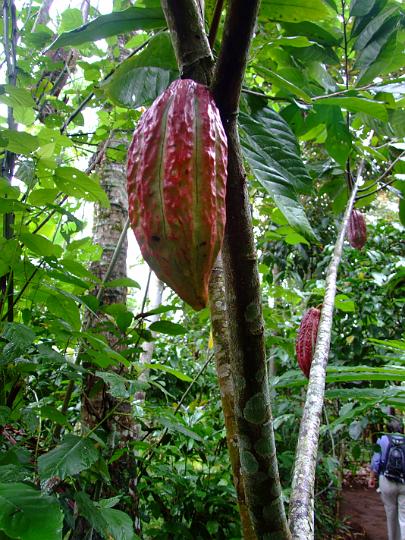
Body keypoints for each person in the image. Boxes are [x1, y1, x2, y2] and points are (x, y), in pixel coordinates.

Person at [369, 419, 405, 540]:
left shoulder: (382, 439)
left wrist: (372, 477)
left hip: (386, 480)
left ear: (387, 428)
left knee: (391, 514)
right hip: (404, 482)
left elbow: (376, 461)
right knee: (403, 517)